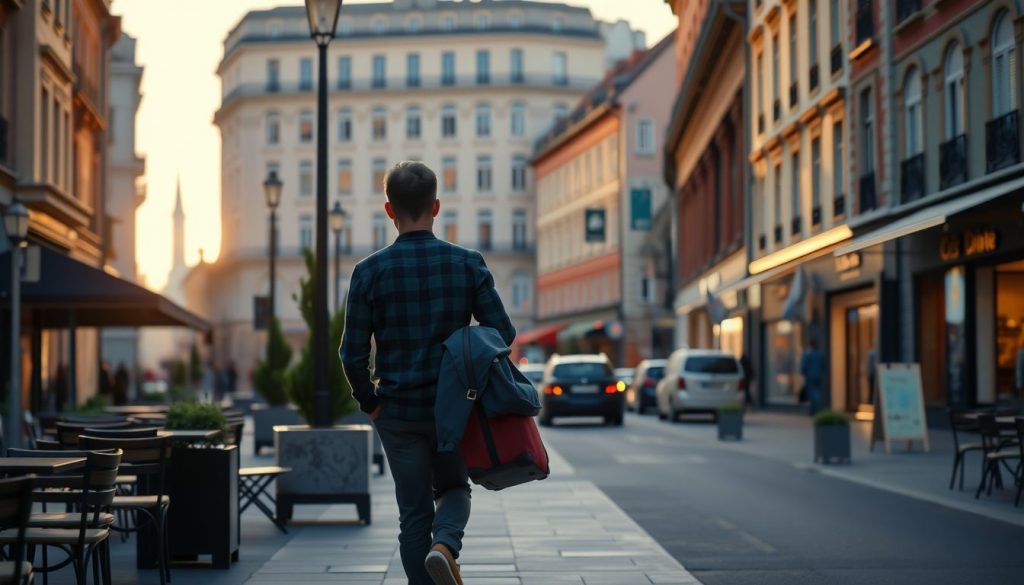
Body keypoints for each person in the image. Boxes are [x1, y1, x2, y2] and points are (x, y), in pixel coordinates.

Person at [341, 161, 515, 585]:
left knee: (413, 513)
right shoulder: (467, 263)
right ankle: (445, 546)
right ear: (436, 206)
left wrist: (372, 403)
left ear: (389, 210)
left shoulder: (368, 272)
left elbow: (351, 354)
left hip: (397, 412)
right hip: (454, 409)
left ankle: (427, 565)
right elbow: (502, 332)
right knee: (455, 490)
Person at [800, 340, 827, 415]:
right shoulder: (819, 354)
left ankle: (816, 408)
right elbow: (823, 366)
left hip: (810, 377)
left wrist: (803, 373)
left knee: (813, 393)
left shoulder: (808, 354)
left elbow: (804, 366)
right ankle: (813, 409)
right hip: (818, 376)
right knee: (815, 392)